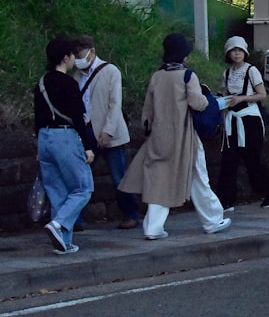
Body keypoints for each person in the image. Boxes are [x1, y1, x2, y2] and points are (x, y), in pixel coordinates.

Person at [119, 33, 231, 240]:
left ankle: (153, 227)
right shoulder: (188, 76)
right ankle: (213, 220)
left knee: (159, 180)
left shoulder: (157, 76)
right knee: (198, 176)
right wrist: (211, 102)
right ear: (183, 55)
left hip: (159, 137)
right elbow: (198, 103)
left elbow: (147, 111)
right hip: (184, 135)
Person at [34, 37, 97, 254]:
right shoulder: (69, 84)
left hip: (44, 139)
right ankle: (58, 224)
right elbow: (78, 118)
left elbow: (38, 118)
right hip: (65, 138)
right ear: (65, 58)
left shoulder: (41, 83)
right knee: (83, 187)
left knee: (56, 191)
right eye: (72, 56)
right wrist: (88, 146)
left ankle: (64, 242)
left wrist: (38, 146)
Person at [72, 34, 141, 229]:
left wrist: (108, 130)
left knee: (119, 177)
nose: (78, 58)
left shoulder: (111, 72)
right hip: (86, 132)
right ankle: (75, 219)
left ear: (92, 52)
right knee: (82, 177)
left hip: (109, 132)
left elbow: (114, 104)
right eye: (75, 54)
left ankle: (131, 214)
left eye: (80, 54)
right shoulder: (76, 77)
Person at [217, 36, 269, 212]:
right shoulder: (227, 73)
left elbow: (261, 94)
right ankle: (226, 200)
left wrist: (242, 98)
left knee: (252, 159)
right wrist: (223, 119)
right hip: (232, 119)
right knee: (229, 160)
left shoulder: (251, 71)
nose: (236, 53)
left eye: (240, 50)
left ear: (245, 52)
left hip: (250, 119)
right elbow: (224, 96)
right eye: (233, 50)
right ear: (228, 53)